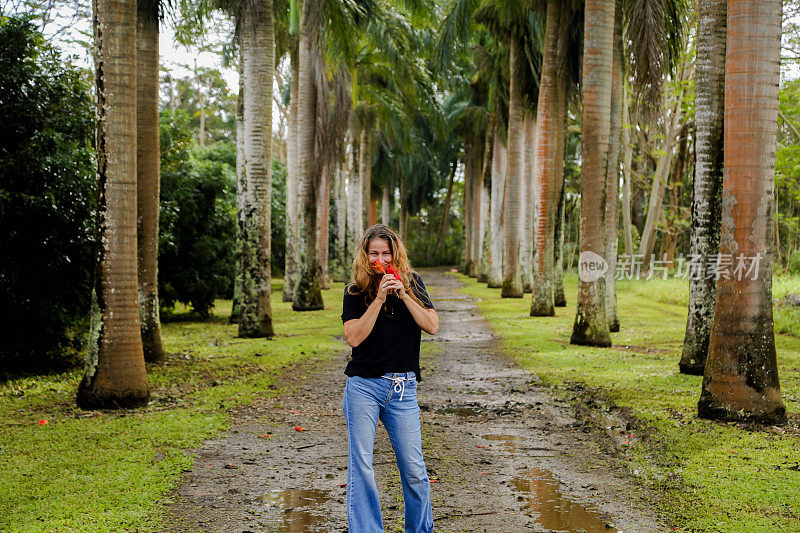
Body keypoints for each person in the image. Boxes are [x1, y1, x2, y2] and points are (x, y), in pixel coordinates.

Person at [341, 224, 438, 532]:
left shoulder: (413, 283)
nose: (380, 259)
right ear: (365, 255)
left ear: (395, 254)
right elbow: (354, 337)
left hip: (403, 388)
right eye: (374, 253)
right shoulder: (355, 290)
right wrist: (380, 299)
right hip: (364, 388)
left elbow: (432, 325)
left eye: (385, 253)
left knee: (413, 469)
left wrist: (404, 293)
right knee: (363, 468)